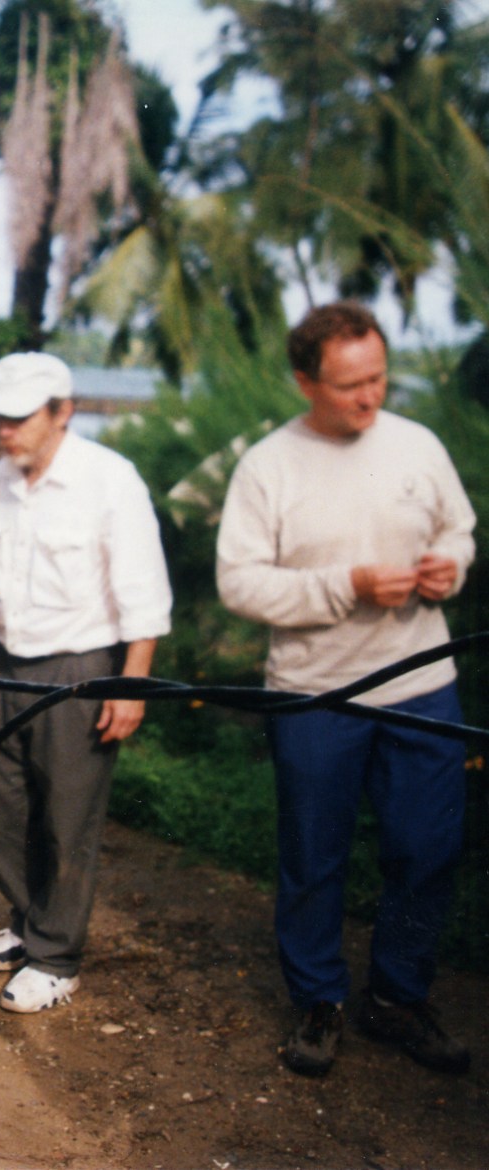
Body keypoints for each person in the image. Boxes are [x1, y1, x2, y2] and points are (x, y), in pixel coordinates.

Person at [217, 302, 475, 1079]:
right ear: (305, 382)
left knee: (427, 850)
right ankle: (318, 1002)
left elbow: (459, 529)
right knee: (313, 856)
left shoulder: (417, 444)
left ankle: (397, 998)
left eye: (379, 378)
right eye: (350, 386)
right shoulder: (268, 465)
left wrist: (448, 567)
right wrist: (347, 586)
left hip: (423, 682)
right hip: (316, 693)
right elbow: (240, 583)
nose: (370, 398)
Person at [0, 352, 171, 1014]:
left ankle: (57, 956)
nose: (6, 431)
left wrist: (132, 686)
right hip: (9, 658)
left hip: (82, 668)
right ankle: (28, 918)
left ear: (61, 413)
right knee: (0, 803)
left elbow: (144, 593)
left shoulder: (110, 481)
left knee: (70, 816)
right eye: (0, 418)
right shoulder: (1, 479)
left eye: (19, 418)